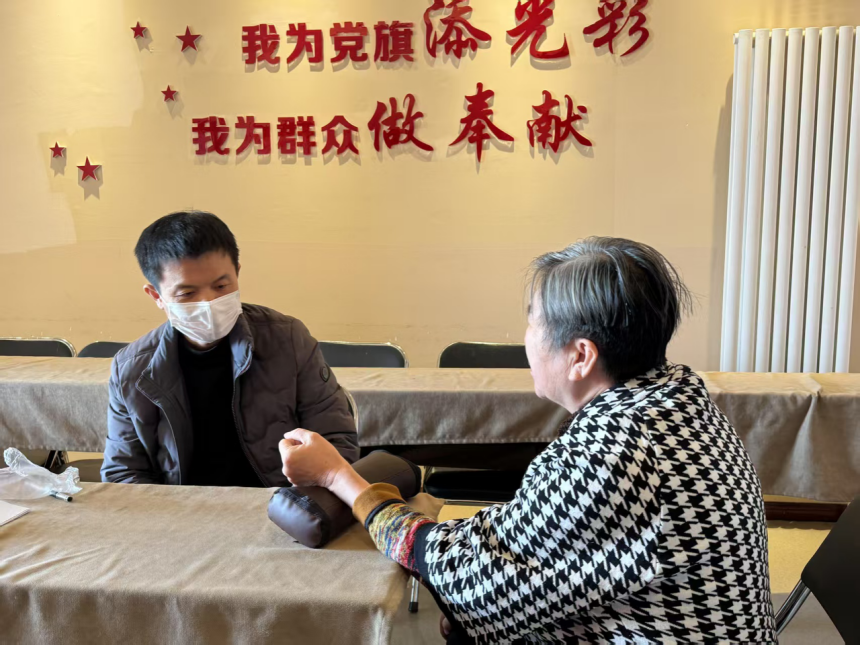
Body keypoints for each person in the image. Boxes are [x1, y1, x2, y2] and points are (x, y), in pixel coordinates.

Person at [278, 237, 776, 644]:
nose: (526, 338)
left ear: (580, 355)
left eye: (533, 321)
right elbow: (533, 538)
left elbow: (464, 577)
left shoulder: (613, 450)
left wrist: (339, 478)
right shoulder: (680, 400)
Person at [101, 211, 358, 486]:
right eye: (187, 293)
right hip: (182, 507)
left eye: (221, 286)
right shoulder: (131, 369)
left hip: (279, 501)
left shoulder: (289, 340)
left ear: (237, 273)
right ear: (157, 296)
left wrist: (295, 498)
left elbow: (337, 444)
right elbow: (123, 473)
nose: (208, 302)